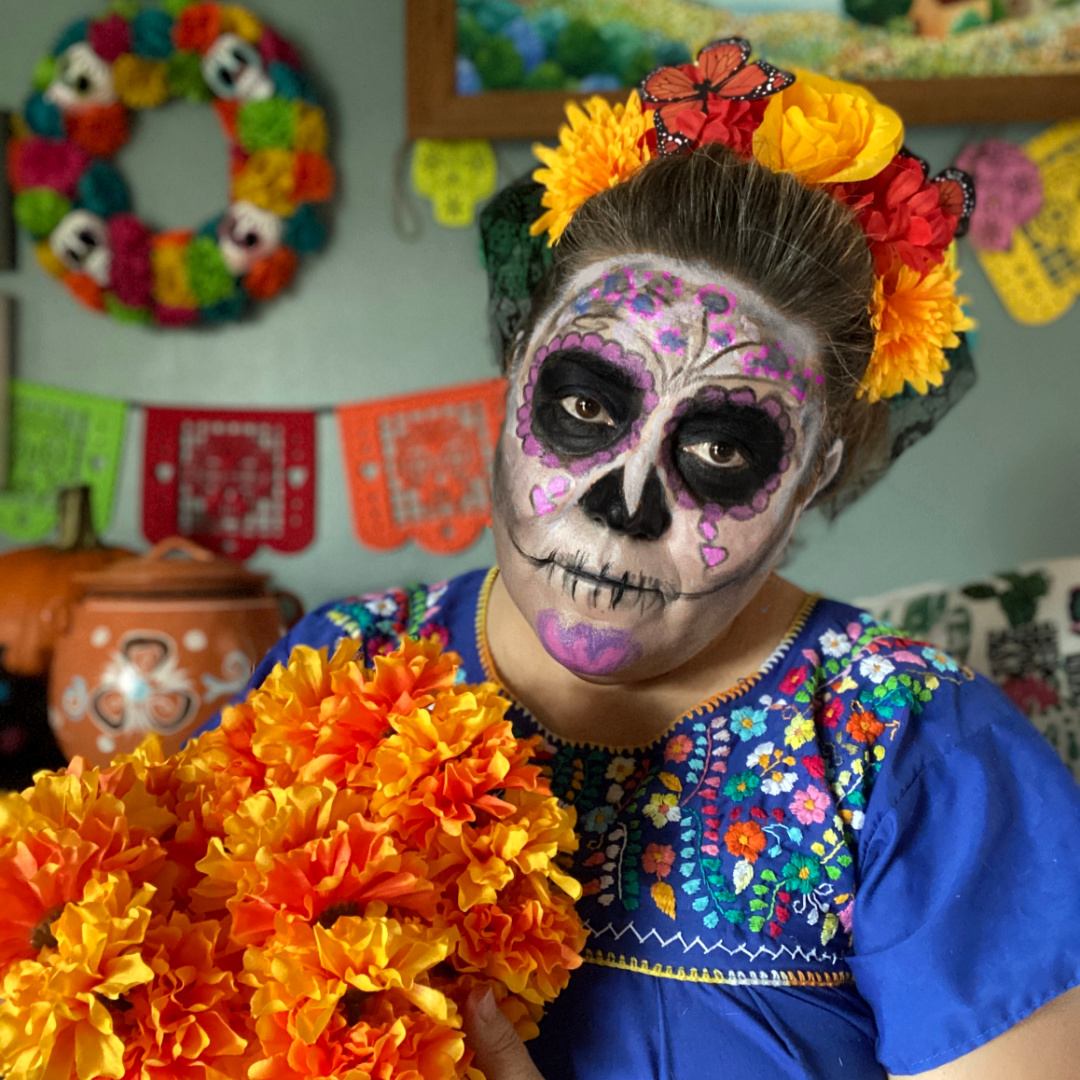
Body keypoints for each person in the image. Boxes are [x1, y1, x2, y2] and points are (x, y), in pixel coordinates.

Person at [216, 45, 1080, 1080]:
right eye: (584, 405)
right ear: (512, 372)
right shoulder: (339, 670)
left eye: (721, 449)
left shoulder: (921, 757)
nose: (625, 507)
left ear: (813, 476)